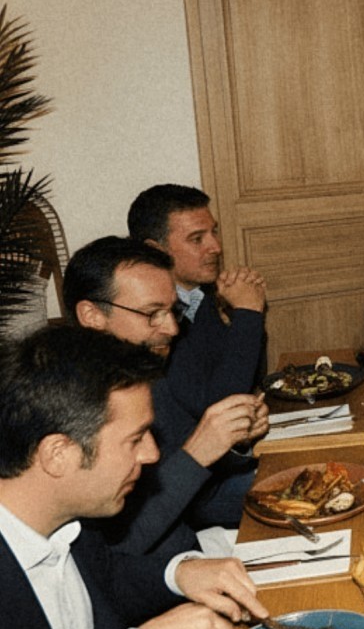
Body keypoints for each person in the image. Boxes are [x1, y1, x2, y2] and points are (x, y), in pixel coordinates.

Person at [0, 325, 268, 629]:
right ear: (57, 454)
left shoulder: (65, 519)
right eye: (135, 439)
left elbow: (105, 580)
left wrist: (178, 573)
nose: (152, 454)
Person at [65, 237, 268, 555]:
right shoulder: (69, 406)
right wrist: (198, 453)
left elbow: (194, 493)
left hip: (193, 545)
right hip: (156, 577)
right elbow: (119, 547)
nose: (172, 328)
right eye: (152, 314)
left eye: (172, 311)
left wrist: (235, 441)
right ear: (92, 315)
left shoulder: (145, 373)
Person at [127, 184, 266, 423]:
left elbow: (252, 378)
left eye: (214, 232)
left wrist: (239, 317)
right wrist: (248, 314)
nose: (216, 247)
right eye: (197, 239)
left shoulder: (199, 296)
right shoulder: (154, 323)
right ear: (155, 250)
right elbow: (220, 408)